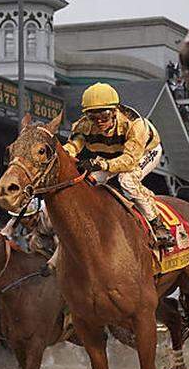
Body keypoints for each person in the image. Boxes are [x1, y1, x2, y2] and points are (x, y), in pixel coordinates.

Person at [63, 82, 175, 249]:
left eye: (104, 116)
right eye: (93, 117)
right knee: (88, 182)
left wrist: (101, 164)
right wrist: (63, 153)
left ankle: (158, 225)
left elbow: (129, 161)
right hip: (111, 154)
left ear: (115, 111)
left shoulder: (135, 124)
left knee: (127, 180)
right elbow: (74, 145)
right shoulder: (83, 125)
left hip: (143, 152)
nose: (99, 122)